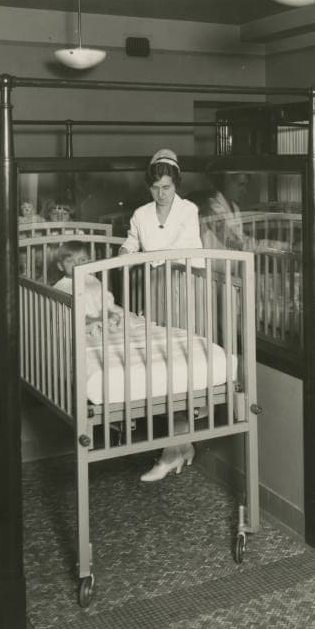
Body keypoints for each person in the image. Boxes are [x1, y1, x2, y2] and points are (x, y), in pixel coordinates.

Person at [122, 148, 204, 482]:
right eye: (155, 188)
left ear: (176, 185)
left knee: (180, 360)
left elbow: (184, 246)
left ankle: (173, 450)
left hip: (182, 284)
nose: (161, 194)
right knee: (162, 361)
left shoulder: (188, 210)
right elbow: (132, 241)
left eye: (166, 187)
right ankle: (181, 445)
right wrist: (125, 251)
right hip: (153, 286)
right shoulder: (141, 214)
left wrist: (148, 257)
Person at [51, 242, 125, 334]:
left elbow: (104, 298)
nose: (77, 264)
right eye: (70, 261)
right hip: (77, 322)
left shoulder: (93, 280)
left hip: (98, 316)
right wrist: (96, 319)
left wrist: (108, 312)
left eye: (82, 260)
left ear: (88, 262)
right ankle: (96, 325)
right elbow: (66, 315)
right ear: (60, 266)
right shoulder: (61, 286)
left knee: (116, 317)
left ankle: (101, 324)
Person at [203, 168, 251, 250]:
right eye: (240, 185)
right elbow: (232, 240)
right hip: (215, 258)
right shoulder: (212, 207)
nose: (244, 190)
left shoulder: (235, 208)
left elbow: (240, 238)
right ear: (227, 182)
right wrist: (263, 247)